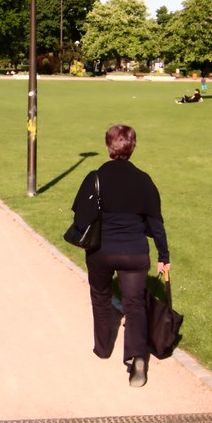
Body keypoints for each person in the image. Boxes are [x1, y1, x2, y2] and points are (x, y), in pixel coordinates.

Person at [69, 125, 169, 387]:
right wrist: (164, 256)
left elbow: (80, 218)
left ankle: (103, 348)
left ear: (108, 147)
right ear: (133, 147)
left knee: (100, 297)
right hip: (134, 252)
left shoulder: (96, 177)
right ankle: (137, 357)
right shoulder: (144, 180)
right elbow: (156, 224)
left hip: (101, 251)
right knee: (134, 304)